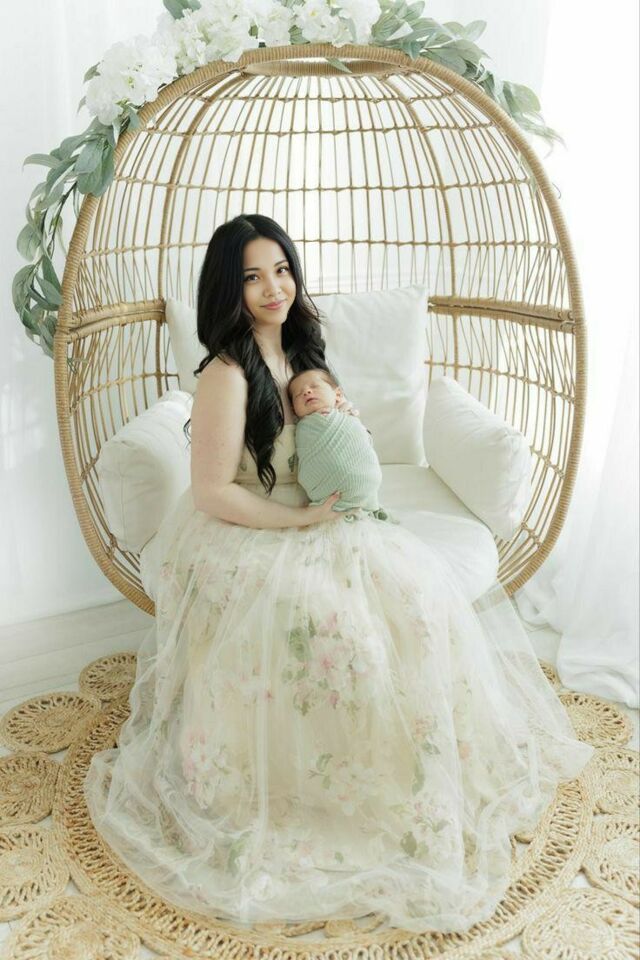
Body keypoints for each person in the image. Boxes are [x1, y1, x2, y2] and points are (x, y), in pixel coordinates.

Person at [84, 213, 595, 934]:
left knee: (413, 600)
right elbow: (213, 493)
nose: (274, 288)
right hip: (248, 527)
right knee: (331, 632)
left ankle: (404, 776)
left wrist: (344, 426)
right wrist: (297, 523)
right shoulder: (227, 374)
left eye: (282, 269)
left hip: (316, 512)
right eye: (253, 276)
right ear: (228, 289)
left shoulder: (300, 351)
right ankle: (316, 792)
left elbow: (330, 446)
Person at [287, 367, 394, 520]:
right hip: (325, 495)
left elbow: (363, 440)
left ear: (337, 395)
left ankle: (366, 504)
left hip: (366, 480)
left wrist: (352, 420)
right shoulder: (303, 428)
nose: (306, 392)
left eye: (314, 386)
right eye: (298, 394)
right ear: (293, 409)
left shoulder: (347, 416)